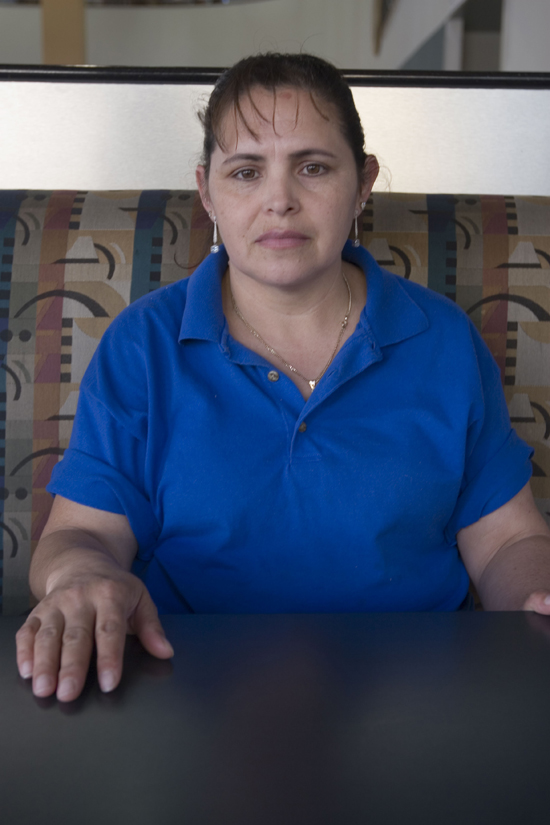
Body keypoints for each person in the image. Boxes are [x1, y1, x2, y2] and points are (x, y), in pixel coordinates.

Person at [16, 53, 550, 703]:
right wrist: (80, 576)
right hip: (186, 690)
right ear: (207, 192)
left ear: (363, 184)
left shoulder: (444, 339)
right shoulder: (142, 344)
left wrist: (536, 596)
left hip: (417, 701)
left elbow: (506, 540)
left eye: (314, 167)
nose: (280, 200)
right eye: (246, 171)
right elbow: (84, 533)